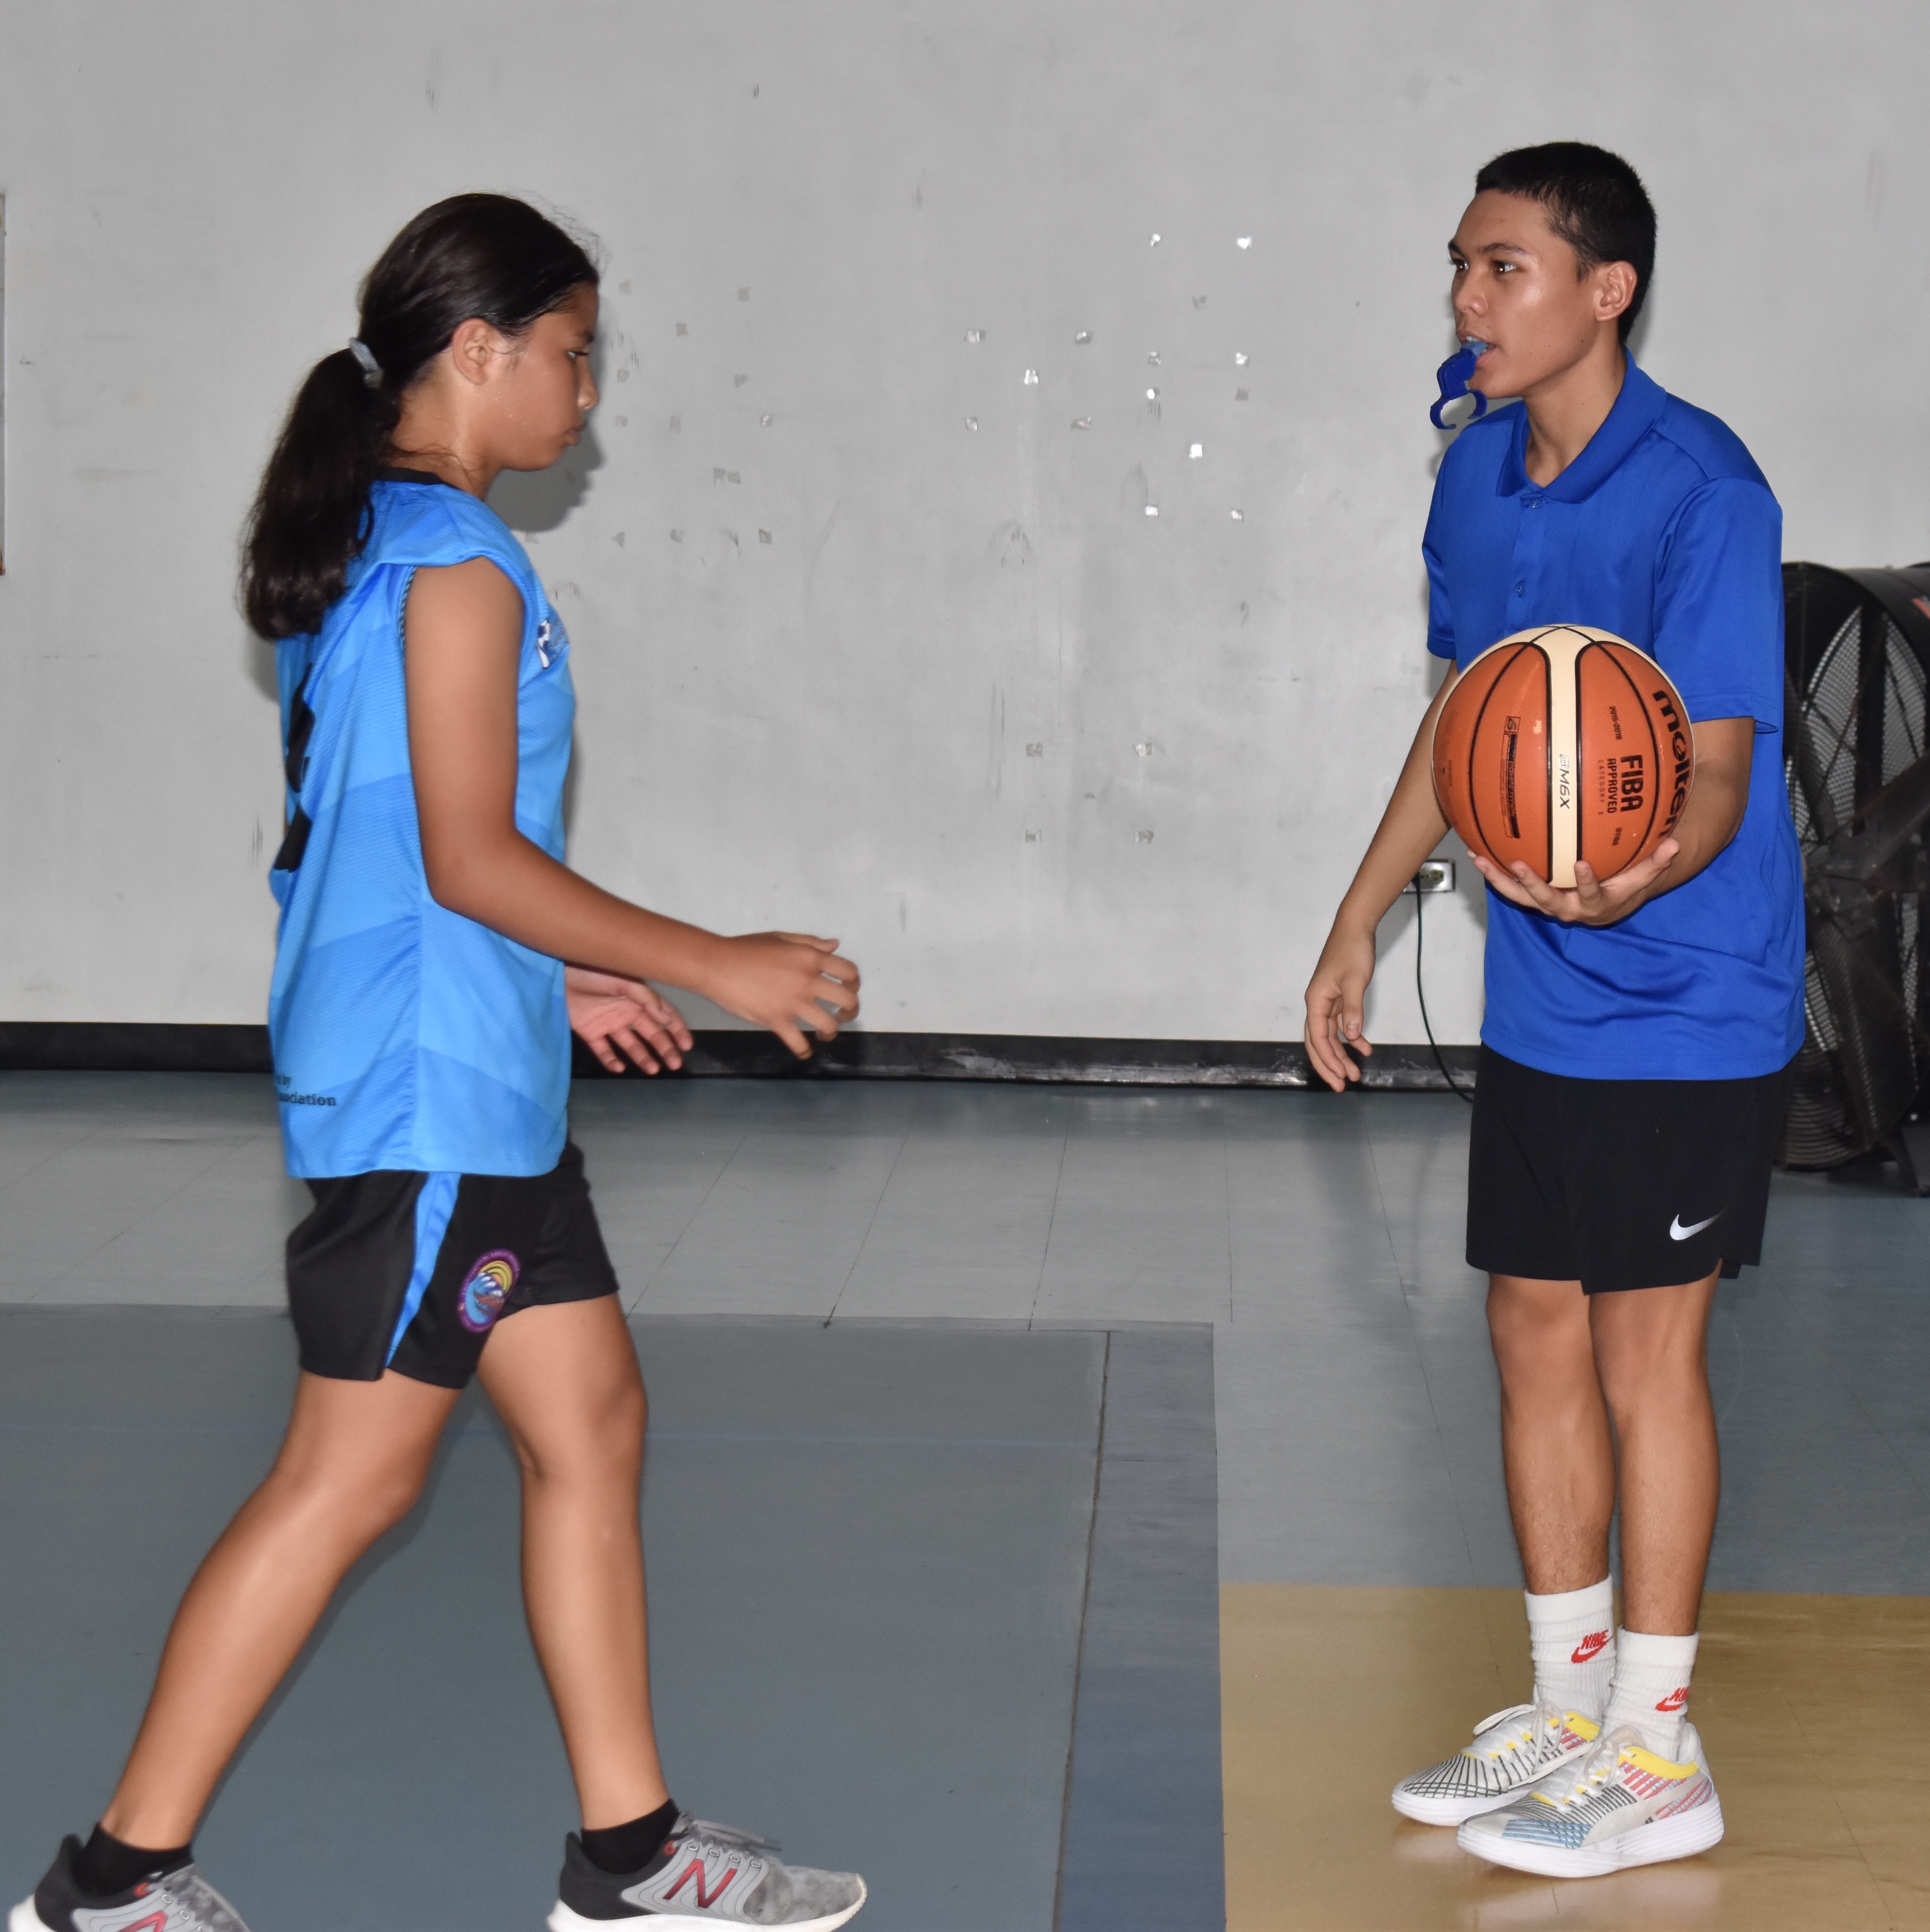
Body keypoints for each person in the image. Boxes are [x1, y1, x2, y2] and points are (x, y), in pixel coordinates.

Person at [12, 195, 868, 1932]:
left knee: (592, 1424)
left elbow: (377, 844)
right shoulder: (456, 566)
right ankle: (115, 1881)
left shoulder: (377, 543)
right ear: (478, 351)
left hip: (475, 1078)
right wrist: (707, 959)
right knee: (351, 1479)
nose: (588, 394)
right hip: (428, 1103)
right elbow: (469, 854)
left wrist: (552, 978)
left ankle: (630, 1860)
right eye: (573, 355)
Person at [1303, 144, 1802, 1878]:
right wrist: (1357, 917)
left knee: (1644, 1353)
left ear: (1607, 290)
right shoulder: (1474, 477)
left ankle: (1658, 1751)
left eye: (1502, 267)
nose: (1466, 297)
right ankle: (1567, 1703)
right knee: (1527, 1327)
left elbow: (1717, 771)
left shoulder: (1704, 490)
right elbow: (1466, 725)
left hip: (1685, 993)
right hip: (1541, 996)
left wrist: (1630, 878)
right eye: (1459, 265)